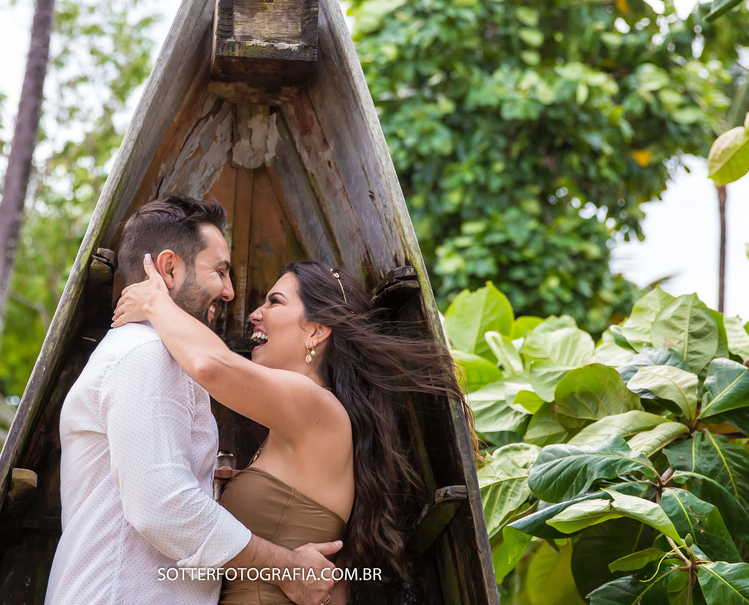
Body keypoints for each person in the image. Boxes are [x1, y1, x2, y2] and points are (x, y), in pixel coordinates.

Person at [113, 255, 467, 604]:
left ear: (316, 330)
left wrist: (157, 303)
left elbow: (209, 365)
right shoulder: (305, 421)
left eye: (275, 302)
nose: (255, 312)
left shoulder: (315, 404)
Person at [44, 196, 340, 605]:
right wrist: (286, 567)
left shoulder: (149, 354)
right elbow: (163, 506)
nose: (231, 292)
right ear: (168, 268)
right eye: (219, 271)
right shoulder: (145, 353)